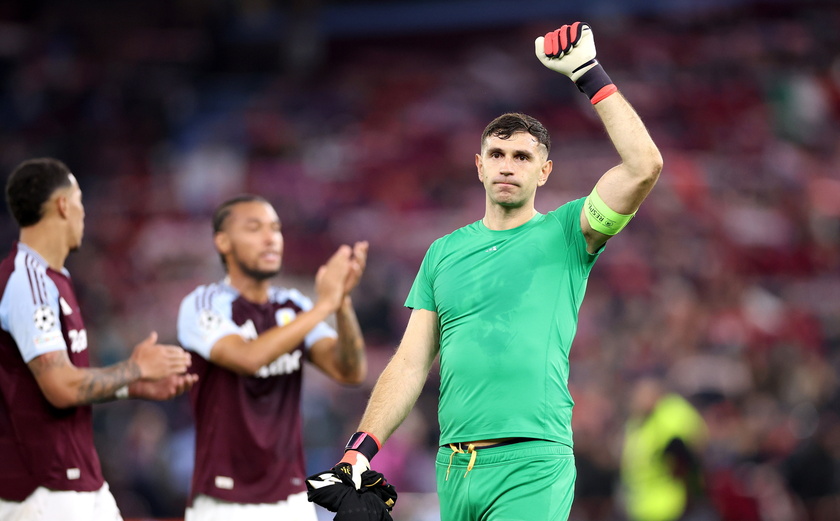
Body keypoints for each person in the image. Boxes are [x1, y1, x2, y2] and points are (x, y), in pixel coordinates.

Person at [308, 22, 664, 521]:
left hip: (532, 461)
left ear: (544, 171)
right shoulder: (443, 253)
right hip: (454, 468)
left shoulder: (570, 231)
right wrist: (359, 452)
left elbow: (644, 165)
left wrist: (588, 73)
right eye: (496, 154)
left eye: (522, 156)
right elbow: (410, 364)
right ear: (478, 165)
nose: (507, 165)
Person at [0, 157, 197, 521]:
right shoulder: (30, 283)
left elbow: (58, 386)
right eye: (79, 201)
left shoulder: (50, 279)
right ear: (61, 204)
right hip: (42, 487)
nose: (83, 214)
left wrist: (132, 385)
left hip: (70, 478)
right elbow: (60, 386)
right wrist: (134, 368)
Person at [176, 194, 369, 521]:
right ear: (223, 242)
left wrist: (342, 303)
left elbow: (350, 371)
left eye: (275, 229)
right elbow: (247, 358)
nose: (270, 238)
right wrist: (324, 305)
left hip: (292, 499)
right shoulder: (203, 303)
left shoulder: (292, 307)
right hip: (224, 500)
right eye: (254, 228)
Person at [621, 377, 710, 521]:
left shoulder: (671, 412)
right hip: (641, 506)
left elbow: (697, 441)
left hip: (670, 502)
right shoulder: (636, 424)